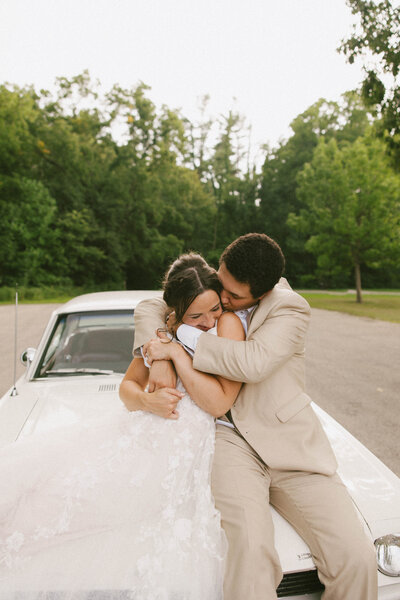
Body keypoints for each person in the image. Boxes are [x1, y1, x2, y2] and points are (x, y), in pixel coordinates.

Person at [130, 233, 378, 600]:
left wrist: (177, 342)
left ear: (261, 293)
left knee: (357, 558)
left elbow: (252, 363)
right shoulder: (222, 285)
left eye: (232, 297)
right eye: (221, 283)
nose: (223, 301)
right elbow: (153, 303)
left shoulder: (290, 310)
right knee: (250, 551)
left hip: (291, 445)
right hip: (229, 440)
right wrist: (160, 354)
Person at [0, 253, 244, 600]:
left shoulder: (225, 329)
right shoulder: (160, 335)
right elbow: (127, 390)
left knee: (92, 516)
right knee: (49, 500)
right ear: (175, 313)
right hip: (137, 438)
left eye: (214, 309)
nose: (208, 321)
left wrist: (175, 355)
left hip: (183, 458)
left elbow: (219, 402)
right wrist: (147, 400)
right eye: (196, 315)